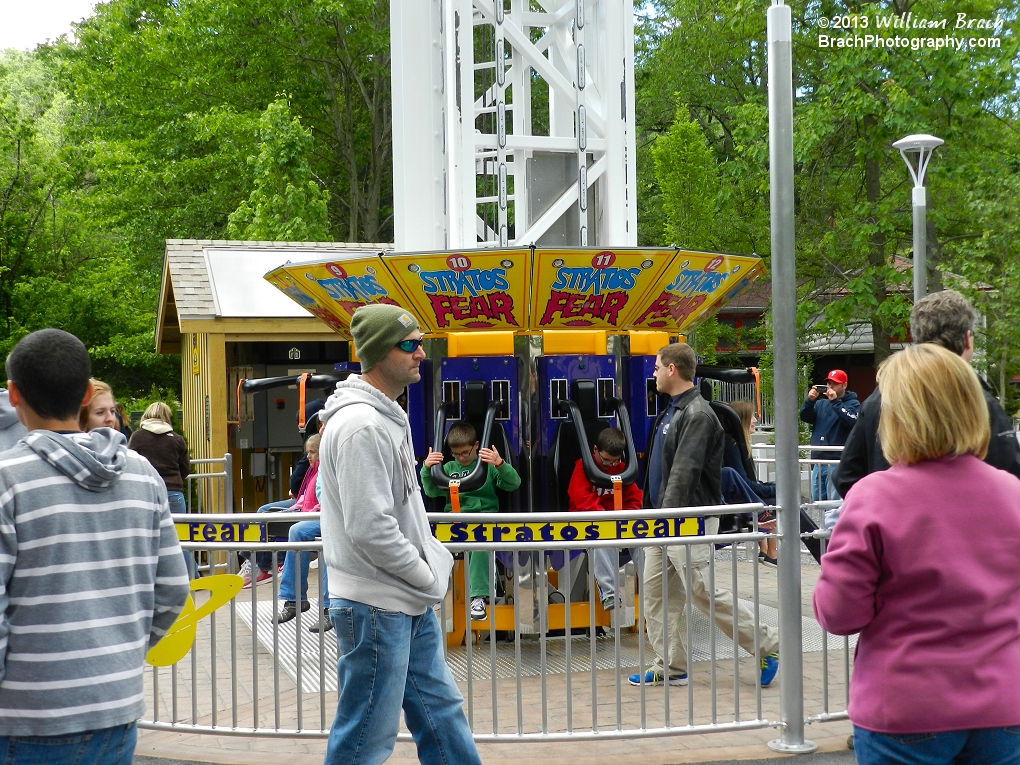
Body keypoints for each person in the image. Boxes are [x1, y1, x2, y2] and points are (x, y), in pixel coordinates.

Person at [814, 343, 1020, 765]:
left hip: (905, 707)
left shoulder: (873, 497)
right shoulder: (1011, 492)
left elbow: (839, 614)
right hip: (1004, 704)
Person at [0, 329, 190, 764]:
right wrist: (117, 653)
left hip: (26, 719)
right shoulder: (142, 475)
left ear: (13, 395)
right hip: (117, 707)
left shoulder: (7, 479)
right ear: (87, 393)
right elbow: (174, 587)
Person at [317, 304, 481, 765]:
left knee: (440, 714)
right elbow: (370, 527)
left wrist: (424, 574)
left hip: (400, 598)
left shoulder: (384, 416)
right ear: (376, 353)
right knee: (367, 735)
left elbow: (395, 513)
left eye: (421, 343)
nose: (420, 353)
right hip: (378, 604)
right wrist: (428, 576)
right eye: (409, 344)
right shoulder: (361, 425)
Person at [631, 342, 779, 688]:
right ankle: (671, 665)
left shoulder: (697, 415)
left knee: (702, 592)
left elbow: (684, 473)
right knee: (655, 594)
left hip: (685, 520)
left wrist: (663, 519)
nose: (652, 373)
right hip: (665, 521)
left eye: (656, 367)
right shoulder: (673, 412)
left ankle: (767, 645)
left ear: (672, 370)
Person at [834, 289, 1020, 501]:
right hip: (963, 529)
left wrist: (880, 512)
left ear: (917, 339)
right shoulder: (977, 402)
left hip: (893, 526)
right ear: (968, 340)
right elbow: (1011, 479)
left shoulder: (881, 398)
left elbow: (847, 477)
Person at [421, 421, 521, 620]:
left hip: (481, 519)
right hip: (455, 520)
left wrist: (500, 464)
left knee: (479, 544)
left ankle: (478, 598)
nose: (461, 458)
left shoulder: (487, 466)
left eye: (466, 452)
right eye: (456, 454)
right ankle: (431, 593)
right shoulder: (448, 468)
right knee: (426, 543)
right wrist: (426, 469)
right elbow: (431, 491)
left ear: (476, 445)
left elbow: (513, 483)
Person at [567, 426, 643, 611]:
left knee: (642, 541)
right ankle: (609, 594)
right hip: (592, 521)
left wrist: (628, 516)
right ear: (595, 450)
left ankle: (653, 585)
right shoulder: (582, 467)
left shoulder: (623, 469)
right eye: (606, 461)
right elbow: (580, 497)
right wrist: (605, 517)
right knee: (601, 540)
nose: (610, 465)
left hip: (618, 521)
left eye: (614, 461)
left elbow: (634, 497)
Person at [240, 432, 321, 589]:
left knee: (268, 520)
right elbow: (307, 496)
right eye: (307, 453)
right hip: (303, 508)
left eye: (312, 452)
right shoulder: (312, 470)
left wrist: (300, 508)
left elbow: (319, 499)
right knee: (264, 513)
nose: (308, 456)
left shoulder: (320, 470)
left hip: (308, 512)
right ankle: (258, 564)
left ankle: (267, 563)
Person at [799, 369, 859, 503]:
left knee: (834, 502)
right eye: (828, 383)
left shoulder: (853, 404)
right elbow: (805, 416)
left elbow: (852, 421)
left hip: (836, 461)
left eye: (834, 384)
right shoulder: (821, 404)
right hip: (819, 460)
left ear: (844, 385)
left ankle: (833, 525)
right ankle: (821, 525)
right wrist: (809, 401)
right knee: (817, 500)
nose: (830, 387)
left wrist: (836, 402)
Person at [128, 401, 190, 514]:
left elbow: (129, 463)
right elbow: (185, 468)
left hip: (146, 491)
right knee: (178, 530)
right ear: (167, 417)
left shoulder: (137, 437)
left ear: (146, 416)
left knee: (147, 531)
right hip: (174, 492)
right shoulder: (177, 439)